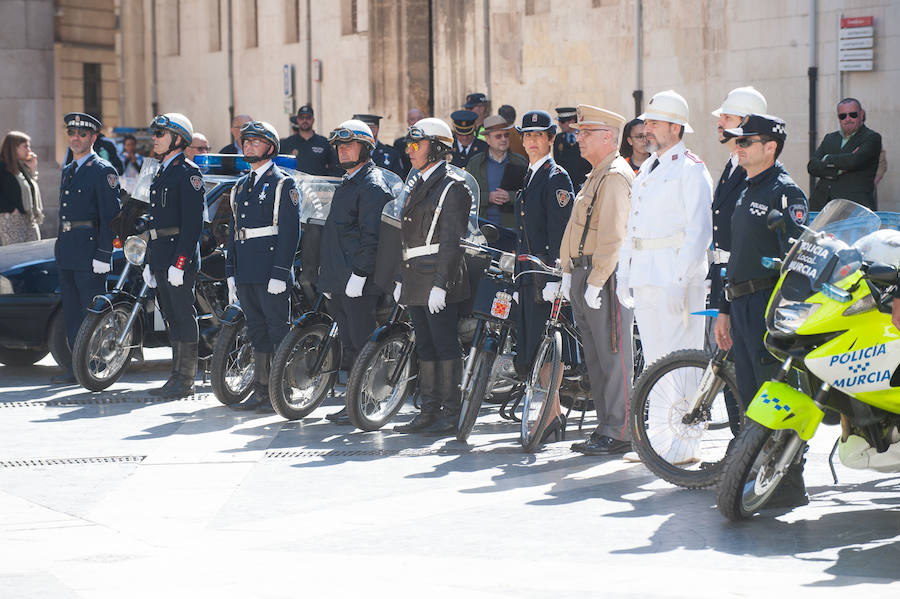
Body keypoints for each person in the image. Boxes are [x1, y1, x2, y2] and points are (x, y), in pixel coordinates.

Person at [714, 113, 810, 507]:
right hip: (740, 302)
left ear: (770, 147)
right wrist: (723, 308)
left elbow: (800, 262)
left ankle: (789, 485)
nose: (738, 147)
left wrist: (782, 318)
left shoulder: (785, 192)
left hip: (768, 306)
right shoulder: (746, 188)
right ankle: (764, 475)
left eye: (746, 142)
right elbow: (736, 254)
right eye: (737, 142)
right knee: (754, 397)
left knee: (778, 394)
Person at [554, 105, 635, 455]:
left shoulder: (615, 175)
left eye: (586, 133)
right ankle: (606, 426)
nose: (578, 138)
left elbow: (614, 236)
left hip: (606, 275)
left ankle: (620, 429)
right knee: (597, 357)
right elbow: (577, 230)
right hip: (585, 272)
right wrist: (567, 271)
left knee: (613, 355)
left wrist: (596, 280)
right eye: (579, 132)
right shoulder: (596, 175)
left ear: (607, 137)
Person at [618, 90, 713, 367]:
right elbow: (632, 225)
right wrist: (624, 272)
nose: (647, 130)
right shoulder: (647, 168)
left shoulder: (691, 169)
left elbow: (699, 231)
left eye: (655, 124)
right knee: (653, 365)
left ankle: (683, 413)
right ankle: (658, 415)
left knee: (680, 366)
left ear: (676, 127)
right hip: (646, 276)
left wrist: (680, 280)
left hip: (674, 278)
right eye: (647, 124)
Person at [393, 118, 472, 435]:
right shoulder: (417, 183)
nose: (410, 151)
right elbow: (407, 237)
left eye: (417, 145)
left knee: (444, 344)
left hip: (439, 277)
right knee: (425, 346)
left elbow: (452, 240)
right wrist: (402, 276)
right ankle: (428, 410)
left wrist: (441, 284)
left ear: (437, 149)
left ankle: (451, 413)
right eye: (409, 145)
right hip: (416, 277)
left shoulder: (454, 187)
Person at [317, 119, 394, 424]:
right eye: (339, 146)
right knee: (349, 343)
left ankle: (367, 401)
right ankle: (354, 401)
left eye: (349, 145)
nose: (342, 151)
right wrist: (329, 276)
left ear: (365, 147)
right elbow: (337, 235)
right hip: (341, 278)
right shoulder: (350, 181)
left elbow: (372, 237)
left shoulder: (371, 185)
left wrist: (360, 274)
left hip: (358, 281)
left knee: (363, 344)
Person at [224, 121, 300, 412]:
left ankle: (282, 389)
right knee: (256, 330)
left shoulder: (283, 184)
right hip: (247, 270)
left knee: (277, 330)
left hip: (271, 271)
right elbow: (234, 232)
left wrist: (281, 273)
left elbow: (290, 232)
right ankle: (261, 388)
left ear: (270, 147)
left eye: (256, 141)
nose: (248, 145)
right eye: (246, 141)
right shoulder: (240, 186)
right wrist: (231, 272)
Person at [513, 109, 574, 444]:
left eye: (539, 136)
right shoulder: (532, 174)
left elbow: (560, 230)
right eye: (527, 136)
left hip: (546, 277)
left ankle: (548, 414)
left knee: (549, 350)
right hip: (530, 275)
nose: (533, 142)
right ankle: (554, 414)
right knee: (535, 348)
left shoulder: (556, 176)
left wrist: (556, 275)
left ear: (551, 139)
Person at [53, 113, 121, 383]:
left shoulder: (103, 170)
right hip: (68, 250)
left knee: (90, 312)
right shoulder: (69, 169)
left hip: (90, 251)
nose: (75, 138)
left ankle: (94, 364)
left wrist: (104, 254)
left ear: (93, 138)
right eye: (72, 133)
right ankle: (75, 366)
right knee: (71, 311)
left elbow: (110, 218)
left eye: (82, 134)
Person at [141, 113, 204, 398]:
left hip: (178, 257)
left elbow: (192, 225)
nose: (154, 138)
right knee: (170, 317)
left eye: (160, 134)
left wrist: (180, 263)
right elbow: (154, 222)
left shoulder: (188, 172)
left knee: (183, 314)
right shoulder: (160, 171)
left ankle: (186, 379)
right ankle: (175, 375)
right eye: (154, 134)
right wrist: (148, 263)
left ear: (178, 139)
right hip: (160, 255)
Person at [707, 86, 768, 317]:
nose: (719, 122)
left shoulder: (757, 170)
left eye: (727, 117)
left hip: (746, 281)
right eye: (721, 117)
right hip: (724, 274)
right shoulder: (732, 163)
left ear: (748, 122)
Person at [807, 98, 882, 211]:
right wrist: (840, 168)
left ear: (861, 115)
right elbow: (812, 166)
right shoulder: (830, 138)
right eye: (843, 116)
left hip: (853, 209)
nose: (848, 119)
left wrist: (827, 158)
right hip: (820, 205)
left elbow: (854, 161)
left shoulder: (872, 137)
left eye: (853, 114)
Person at [464, 114, 528, 229]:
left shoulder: (520, 162)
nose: (503, 139)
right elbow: (465, 195)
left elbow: (529, 194)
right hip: (482, 228)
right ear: (487, 139)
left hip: (513, 228)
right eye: (498, 136)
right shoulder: (475, 163)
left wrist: (511, 196)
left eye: (506, 135)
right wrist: (488, 197)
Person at [0, 131, 43, 245]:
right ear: (14, 148)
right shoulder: (2, 167)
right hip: (11, 219)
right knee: (16, 256)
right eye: (25, 146)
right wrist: (11, 209)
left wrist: (33, 170)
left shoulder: (21, 167)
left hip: (29, 218)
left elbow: (31, 190)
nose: (29, 150)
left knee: (34, 253)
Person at [280, 105, 340, 176]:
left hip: (318, 185)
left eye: (308, 118)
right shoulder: (287, 143)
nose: (305, 120)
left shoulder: (324, 143)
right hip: (294, 185)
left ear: (313, 120)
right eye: (302, 118)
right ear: (298, 120)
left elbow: (335, 167)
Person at [553, 107, 591, 191]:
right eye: (559, 121)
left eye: (562, 122)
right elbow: (557, 161)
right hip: (564, 185)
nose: (559, 124)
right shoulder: (558, 138)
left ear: (572, 122)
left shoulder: (585, 138)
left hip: (582, 185)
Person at [393, 108, 425, 178]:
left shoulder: (431, 142)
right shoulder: (399, 144)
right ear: (408, 122)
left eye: (419, 118)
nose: (416, 122)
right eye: (412, 119)